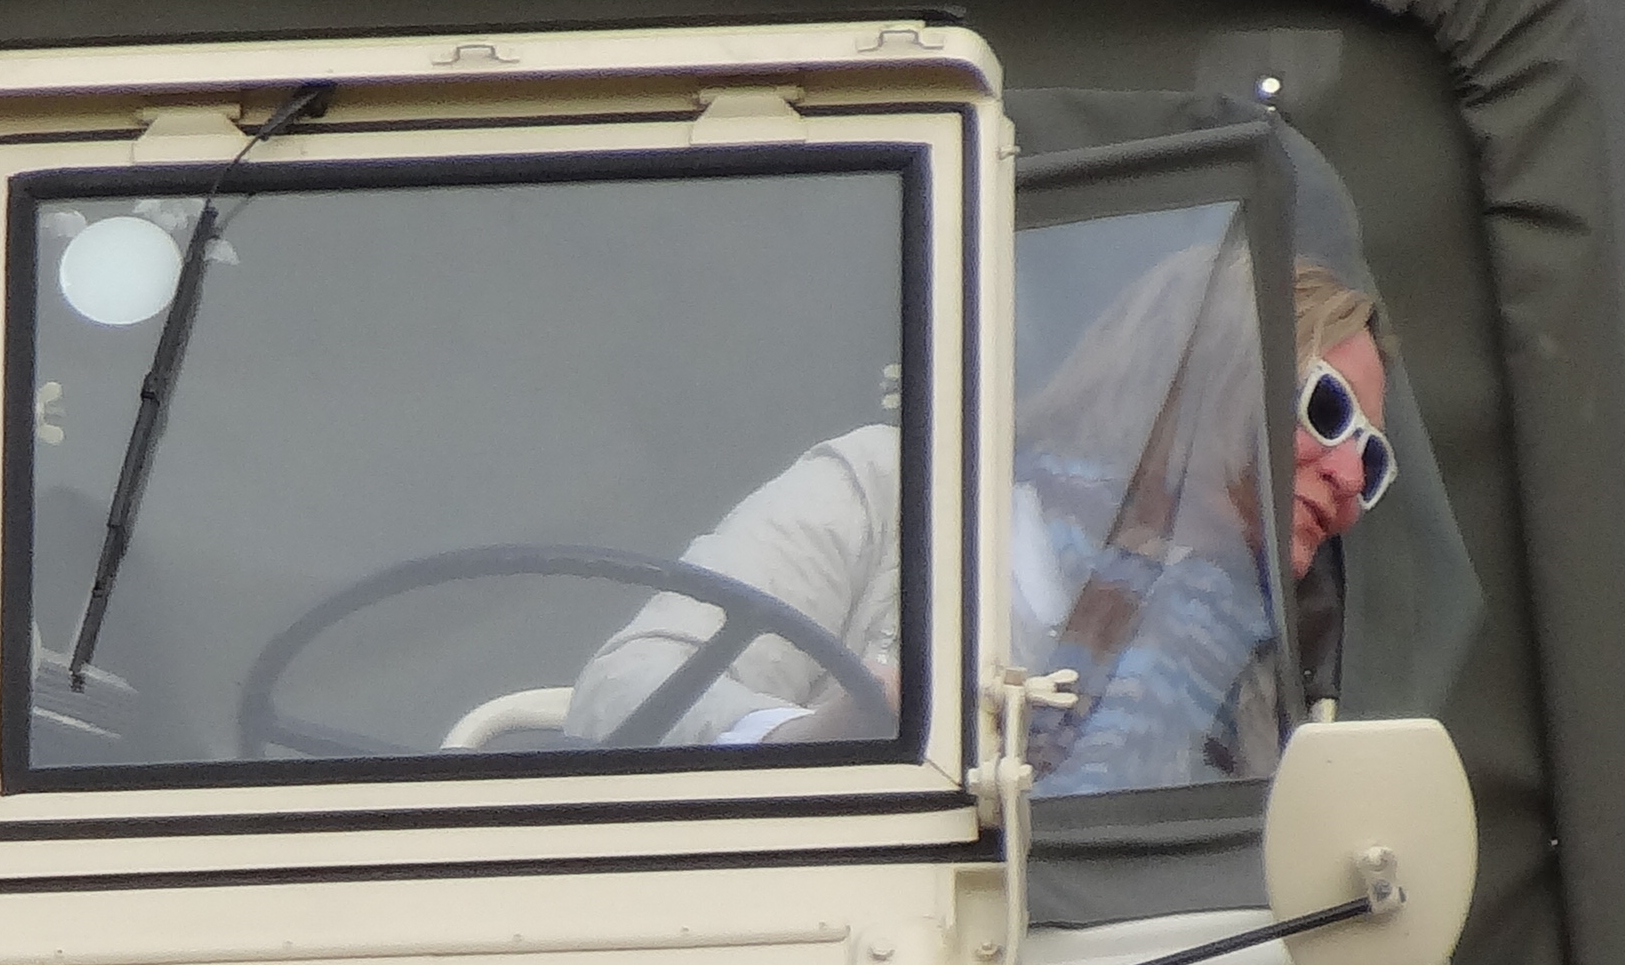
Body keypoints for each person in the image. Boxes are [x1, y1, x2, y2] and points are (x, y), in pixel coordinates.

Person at [569, 252, 1396, 787]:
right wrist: (818, 737)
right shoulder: (889, 491)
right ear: (1215, 371)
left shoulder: (1264, 677)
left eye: (1374, 455)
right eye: (1329, 410)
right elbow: (622, 696)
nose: (1351, 478)